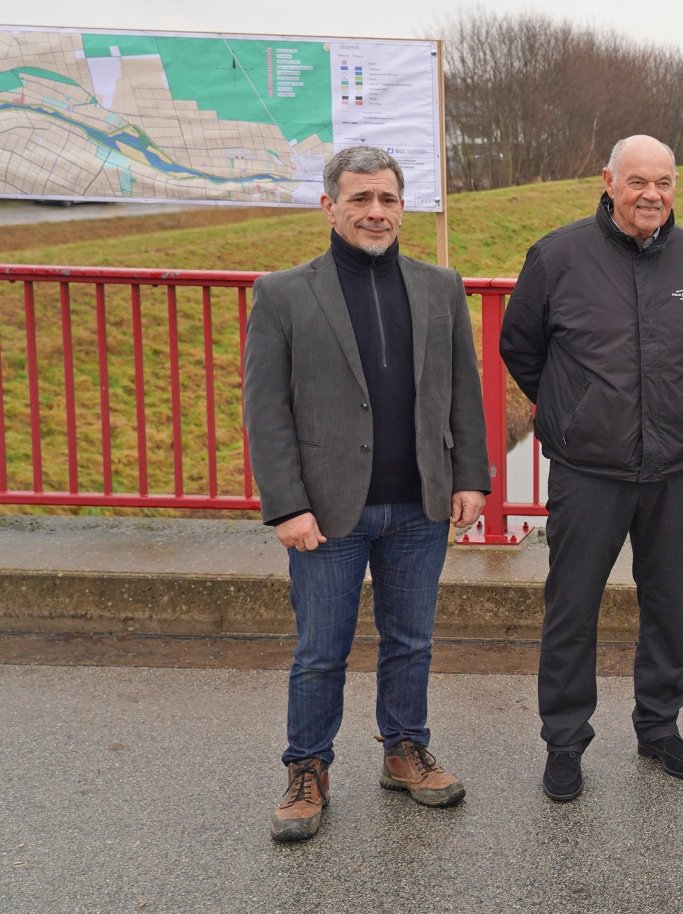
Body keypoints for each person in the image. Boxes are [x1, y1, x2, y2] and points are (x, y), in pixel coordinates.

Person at [243, 146, 487, 842]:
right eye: (360, 199)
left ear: (401, 206)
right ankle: (307, 766)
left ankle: (404, 750)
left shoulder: (440, 286)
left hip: (419, 504)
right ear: (330, 206)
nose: (375, 212)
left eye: (386, 199)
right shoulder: (285, 293)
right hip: (326, 512)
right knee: (321, 648)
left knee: (410, 641)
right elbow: (266, 410)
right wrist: (286, 505)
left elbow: (461, 390)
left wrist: (471, 475)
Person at [500, 135, 683, 801]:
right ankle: (565, 742)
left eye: (663, 181)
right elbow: (521, 345)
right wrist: (575, 412)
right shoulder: (559, 255)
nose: (651, 194)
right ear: (608, 181)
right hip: (587, 471)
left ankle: (659, 728)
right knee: (571, 608)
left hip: (671, 471)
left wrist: (672, 410)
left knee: (666, 607)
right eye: (637, 181)